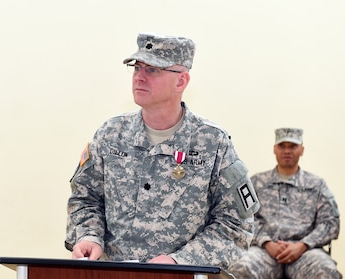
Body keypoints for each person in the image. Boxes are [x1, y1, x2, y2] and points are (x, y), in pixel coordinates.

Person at [65, 32, 260, 269]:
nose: (140, 77)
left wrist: (179, 262)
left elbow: (236, 226)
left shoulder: (213, 143)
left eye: (153, 70)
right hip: (114, 273)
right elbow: (85, 199)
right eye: (137, 68)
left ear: (181, 81)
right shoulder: (110, 134)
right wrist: (89, 236)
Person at [228, 128, 342, 279]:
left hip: (306, 253)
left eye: (293, 146)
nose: (287, 151)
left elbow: (330, 223)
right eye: (282, 146)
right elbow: (241, 219)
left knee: (326, 271)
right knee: (239, 269)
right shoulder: (257, 183)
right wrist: (266, 242)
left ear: (301, 150)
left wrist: (303, 245)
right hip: (263, 251)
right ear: (274, 149)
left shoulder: (317, 185)